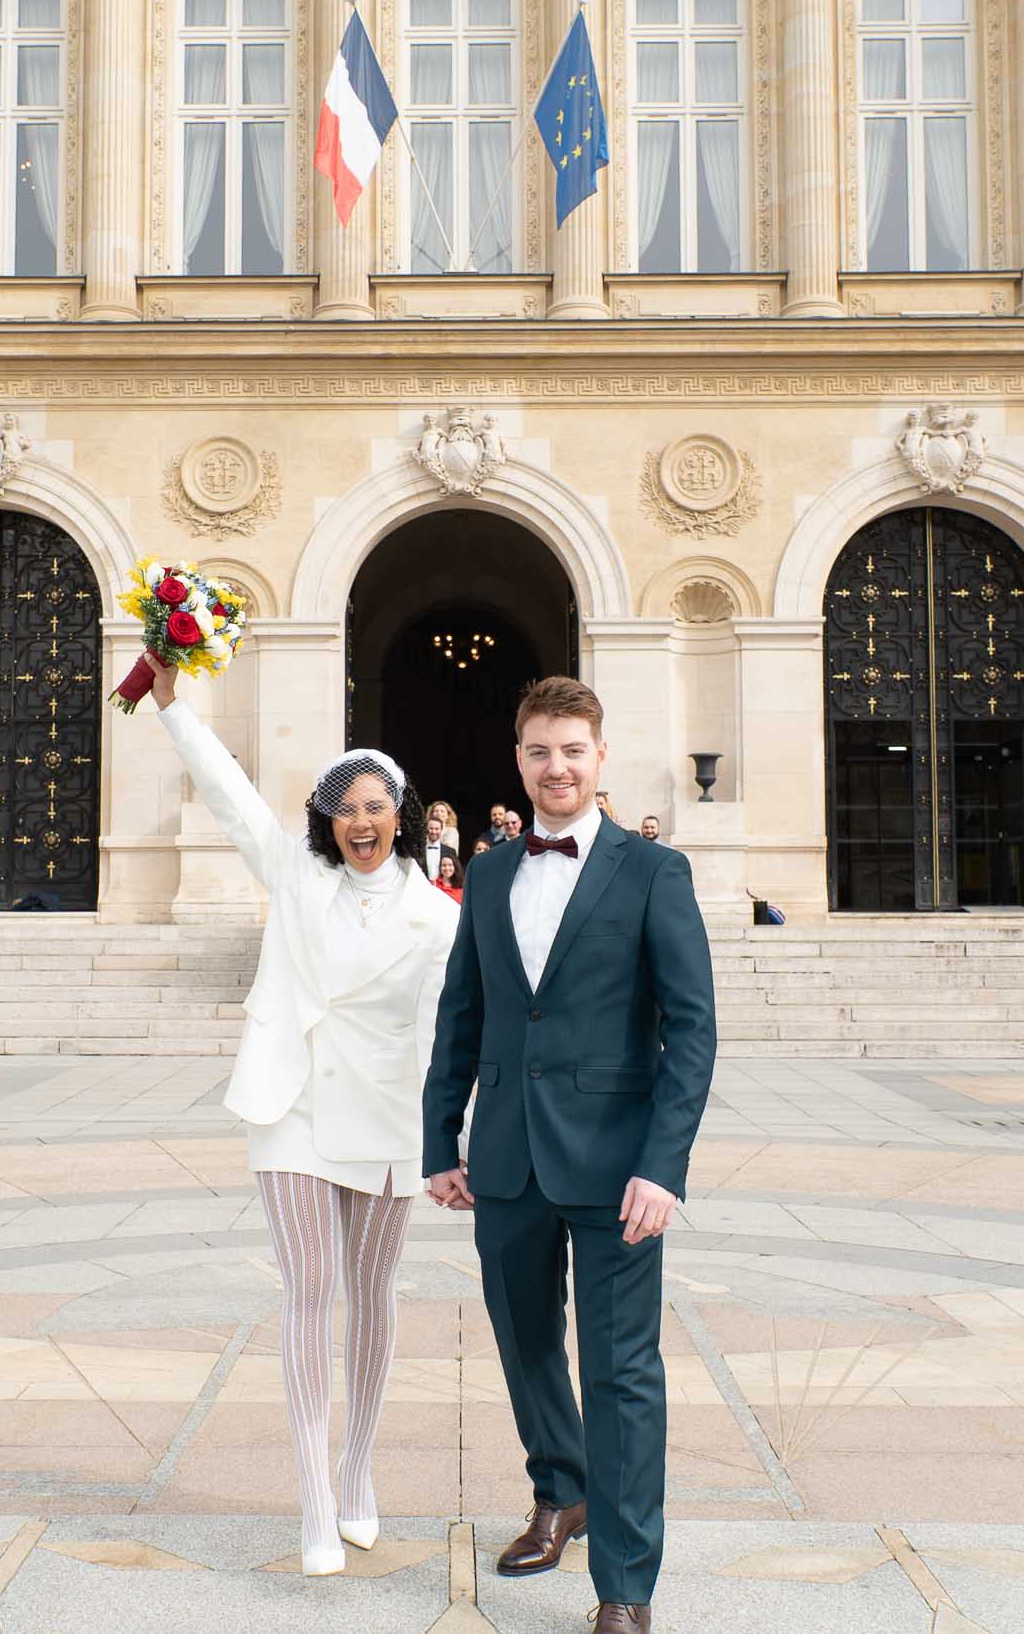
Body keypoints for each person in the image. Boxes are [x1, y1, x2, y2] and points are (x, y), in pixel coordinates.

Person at [140, 654, 460, 1578]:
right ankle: (315, 1499)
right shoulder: (294, 876)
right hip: (291, 1104)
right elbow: (233, 795)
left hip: (390, 1116)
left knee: (373, 1297)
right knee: (308, 1292)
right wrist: (174, 711)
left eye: (376, 807)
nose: (360, 823)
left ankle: (358, 1469)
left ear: (401, 814)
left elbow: (446, 1040)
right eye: (344, 809)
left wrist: (452, 1143)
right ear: (328, 820)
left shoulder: (439, 920)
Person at [421, 676, 718, 1634]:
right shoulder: (494, 873)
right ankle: (561, 1491)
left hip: (618, 1164)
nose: (557, 767)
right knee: (524, 1340)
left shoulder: (652, 873)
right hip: (506, 1156)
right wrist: (442, 1138)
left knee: (623, 1370)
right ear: (520, 760)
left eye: (573, 751)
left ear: (600, 759)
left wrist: (663, 1167)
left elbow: (692, 1030)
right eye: (540, 751)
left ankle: (625, 1588)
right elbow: (462, 1011)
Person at [421, 808, 458, 884]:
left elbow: (455, 874)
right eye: (431, 828)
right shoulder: (418, 850)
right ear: (426, 829)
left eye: (437, 829)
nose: (434, 832)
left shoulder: (450, 851)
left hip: (443, 889)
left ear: (441, 830)